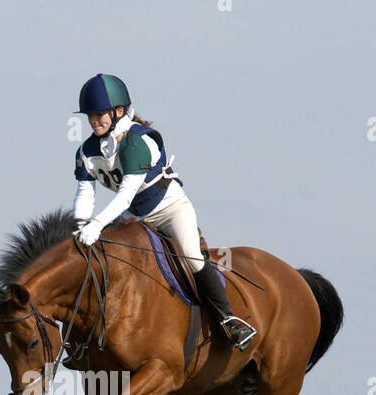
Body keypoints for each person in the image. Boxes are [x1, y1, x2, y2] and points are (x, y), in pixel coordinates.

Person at [71, 73, 257, 350]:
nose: (94, 121)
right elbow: (85, 191)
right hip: (134, 220)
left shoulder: (137, 142)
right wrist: (80, 225)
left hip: (169, 210)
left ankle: (229, 321)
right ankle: (87, 342)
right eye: (90, 116)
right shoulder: (87, 151)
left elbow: (125, 195)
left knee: (192, 259)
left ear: (118, 111)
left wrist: (96, 224)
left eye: (99, 115)